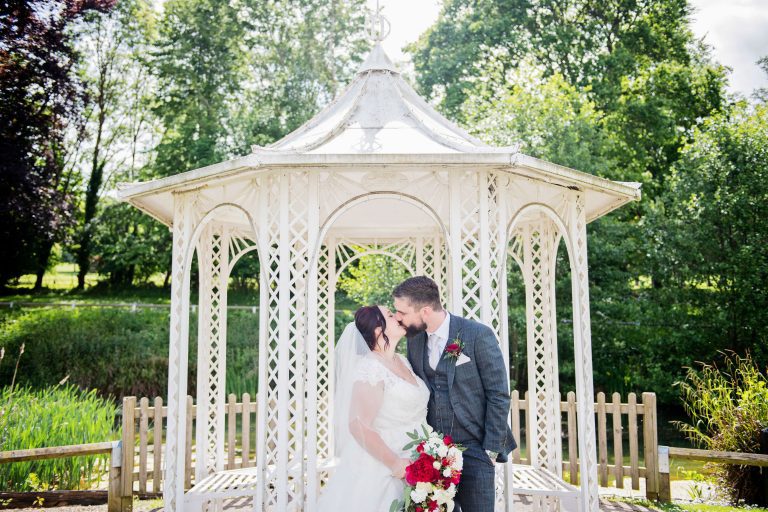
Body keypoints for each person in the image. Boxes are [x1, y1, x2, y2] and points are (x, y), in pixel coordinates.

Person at [393, 276, 516, 512]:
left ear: (425, 311)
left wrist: (489, 451)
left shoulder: (477, 335)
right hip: (431, 454)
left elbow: (499, 394)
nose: (398, 318)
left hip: (476, 449)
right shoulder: (415, 341)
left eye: (402, 312)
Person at [317, 305, 430, 512]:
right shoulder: (370, 368)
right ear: (378, 330)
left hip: (421, 458)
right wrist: (395, 463)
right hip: (386, 466)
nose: (397, 316)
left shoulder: (402, 360)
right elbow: (357, 424)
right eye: (390, 314)